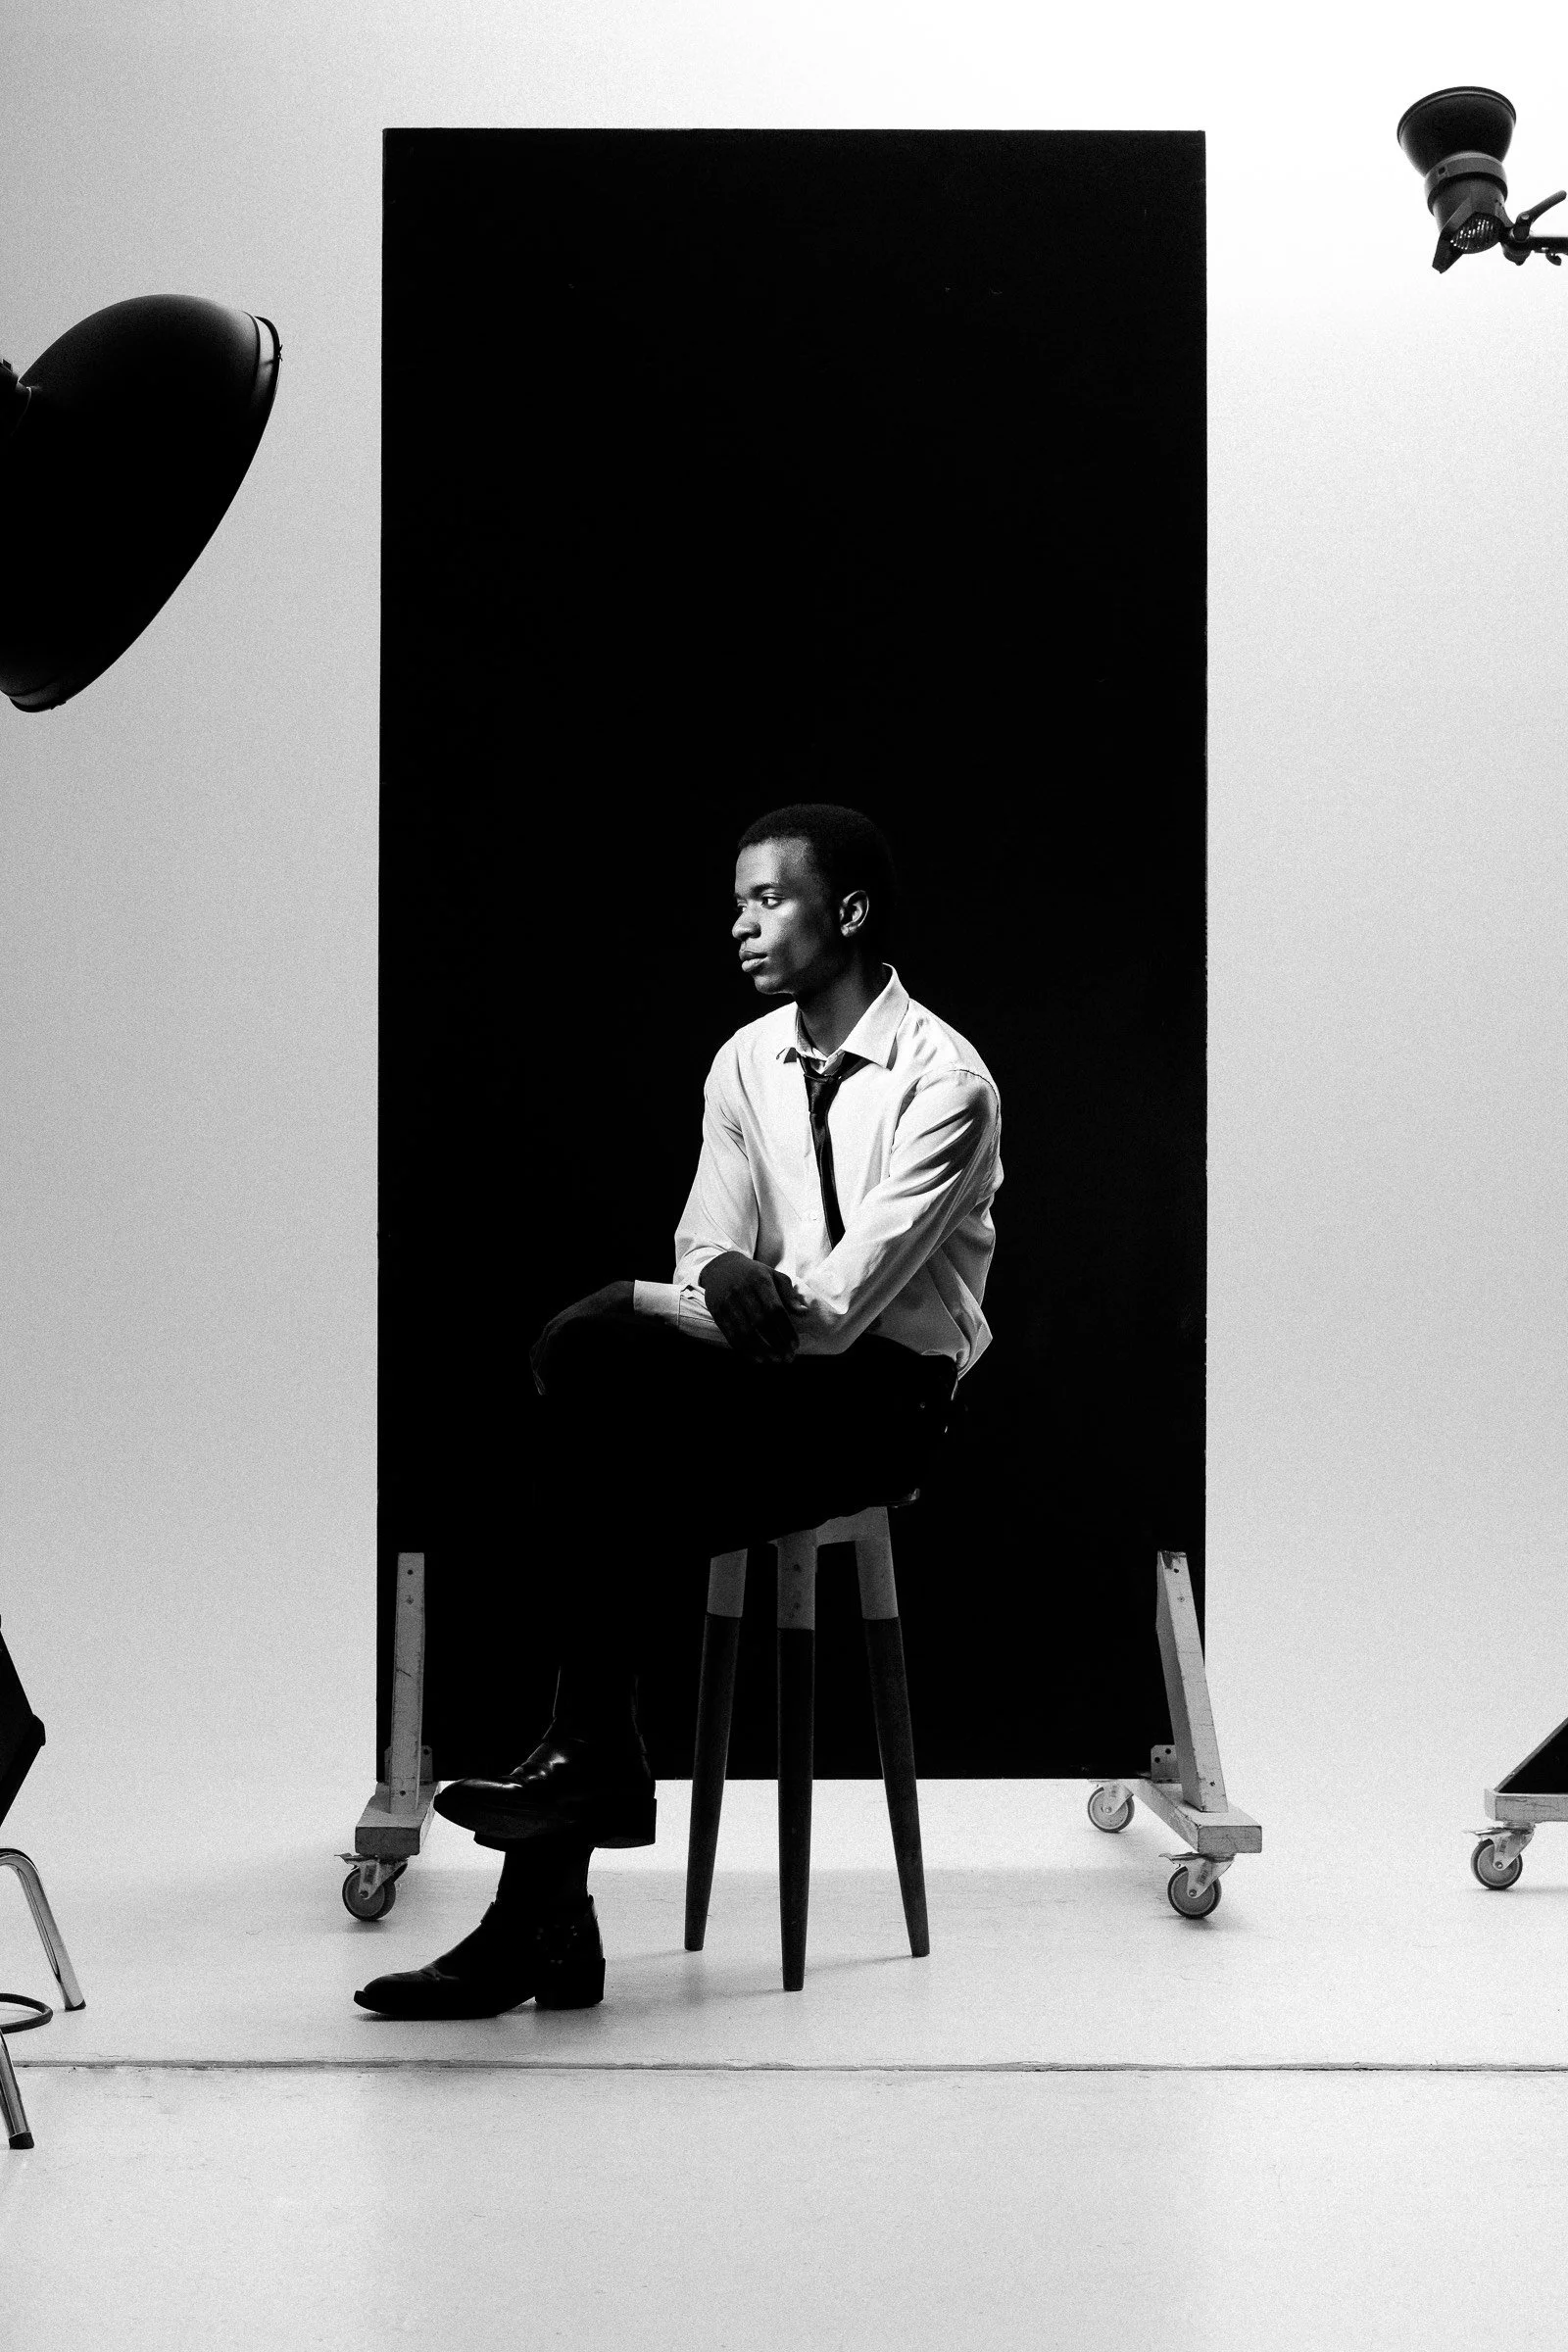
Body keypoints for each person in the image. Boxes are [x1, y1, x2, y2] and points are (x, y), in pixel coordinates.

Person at [355, 803, 1002, 2019]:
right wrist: (709, 1273)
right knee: (599, 1437)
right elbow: (708, 1241)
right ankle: (574, 1819)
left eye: (769, 899)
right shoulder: (745, 1062)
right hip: (764, 1384)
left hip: (881, 1404)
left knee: (599, 1418)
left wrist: (643, 1298)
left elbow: (837, 1314)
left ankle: (547, 1905)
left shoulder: (946, 1085)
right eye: (736, 901)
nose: (740, 924)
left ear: (849, 912)